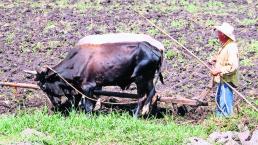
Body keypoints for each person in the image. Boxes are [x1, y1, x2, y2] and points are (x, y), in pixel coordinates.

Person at [209, 22, 239, 117]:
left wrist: (219, 70)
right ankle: (219, 122)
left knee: (225, 103)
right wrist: (215, 59)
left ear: (224, 35)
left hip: (227, 80)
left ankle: (227, 122)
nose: (217, 35)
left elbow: (233, 66)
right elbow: (223, 58)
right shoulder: (225, 46)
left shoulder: (231, 48)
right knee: (219, 101)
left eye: (218, 33)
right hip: (222, 79)